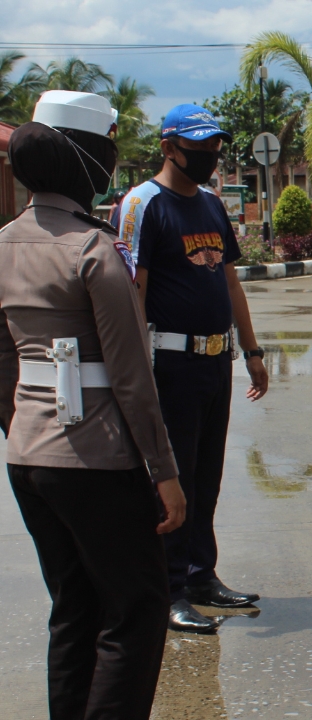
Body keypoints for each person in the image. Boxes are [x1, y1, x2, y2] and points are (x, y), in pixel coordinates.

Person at [2, 90, 185, 720]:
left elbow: (3, 365)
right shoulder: (92, 250)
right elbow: (132, 378)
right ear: (87, 161)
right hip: (100, 461)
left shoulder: (3, 243)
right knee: (136, 609)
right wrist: (164, 473)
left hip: (27, 458)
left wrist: (26, 424)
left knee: (74, 606)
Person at [120, 103, 268, 634]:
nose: (207, 156)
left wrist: (251, 352)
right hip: (170, 364)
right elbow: (133, 292)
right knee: (173, 480)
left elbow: (230, 282)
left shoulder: (210, 205)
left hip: (214, 360)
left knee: (206, 476)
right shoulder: (143, 204)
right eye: (197, 147)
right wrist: (134, 371)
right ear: (168, 147)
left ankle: (202, 575)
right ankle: (169, 588)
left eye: (213, 148)